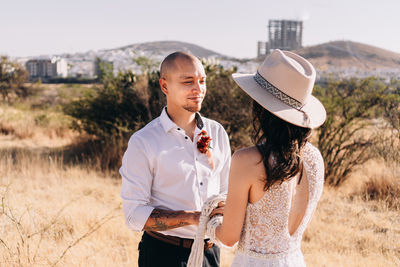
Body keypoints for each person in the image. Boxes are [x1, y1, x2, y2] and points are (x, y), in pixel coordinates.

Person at [209, 49, 326, 266]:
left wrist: (212, 221)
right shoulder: (315, 158)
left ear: (261, 108)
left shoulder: (247, 160)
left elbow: (229, 237)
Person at [120, 51, 231, 267]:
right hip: (163, 255)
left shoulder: (217, 132)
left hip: (210, 253)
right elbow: (134, 216)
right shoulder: (144, 141)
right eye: (188, 81)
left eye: (202, 81)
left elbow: (227, 191)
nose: (198, 89)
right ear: (164, 86)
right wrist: (192, 218)